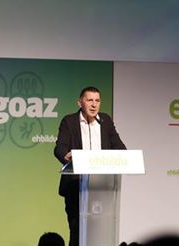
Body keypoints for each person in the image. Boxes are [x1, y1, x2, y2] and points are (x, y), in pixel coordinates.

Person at [54, 86, 127, 246]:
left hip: (102, 187)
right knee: (77, 232)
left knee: (100, 232)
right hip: (76, 186)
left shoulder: (105, 121)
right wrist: (68, 157)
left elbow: (121, 149)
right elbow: (59, 149)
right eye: (89, 100)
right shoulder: (69, 121)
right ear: (80, 102)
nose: (94, 104)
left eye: (97, 100)